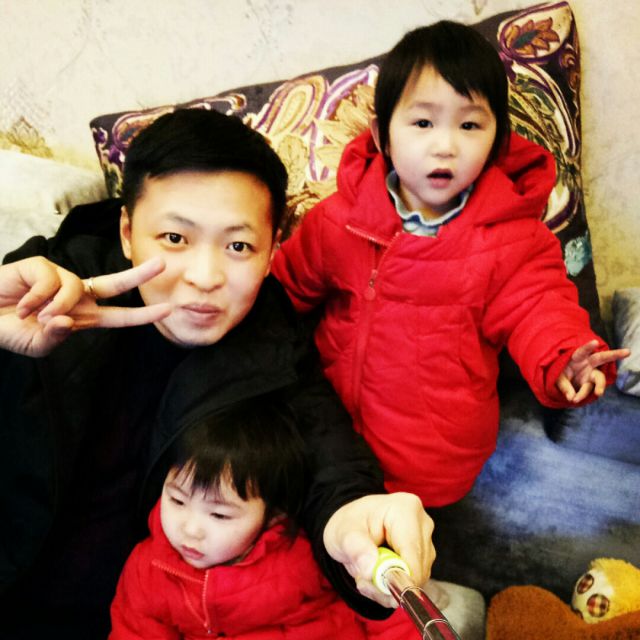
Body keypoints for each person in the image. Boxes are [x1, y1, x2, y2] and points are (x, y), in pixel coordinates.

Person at [0, 108, 434, 638]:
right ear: (128, 231)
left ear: (273, 249)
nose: (205, 278)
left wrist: (353, 520)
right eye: (174, 238)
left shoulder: (271, 342)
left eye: (237, 246)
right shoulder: (35, 292)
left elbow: (330, 459)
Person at [271, 21, 629, 509]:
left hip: (431, 458)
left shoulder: (511, 239)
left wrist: (565, 356)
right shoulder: (340, 220)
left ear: (497, 140)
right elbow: (286, 289)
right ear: (381, 135)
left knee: (408, 538)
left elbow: (540, 307)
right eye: (422, 123)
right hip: (326, 437)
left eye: (470, 125)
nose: (445, 145)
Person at [110, 395, 370, 639]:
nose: (190, 530)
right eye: (177, 500)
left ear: (274, 514)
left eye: (219, 515)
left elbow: (370, 613)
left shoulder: (308, 561)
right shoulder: (147, 571)